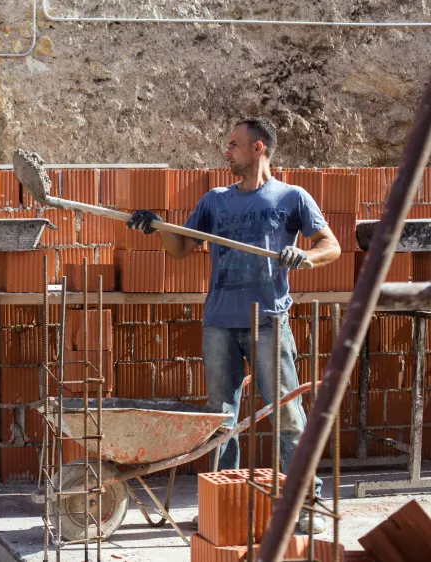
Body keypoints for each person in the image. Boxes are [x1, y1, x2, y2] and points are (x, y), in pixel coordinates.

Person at [126, 118, 342, 534]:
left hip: (268, 321)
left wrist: (305, 257)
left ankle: (306, 502)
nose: (226, 152)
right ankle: (222, 504)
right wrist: (156, 227)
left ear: (258, 148)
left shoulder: (291, 197)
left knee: (287, 414)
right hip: (219, 324)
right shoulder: (215, 201)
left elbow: (329, 245)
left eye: (234, 145)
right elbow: (180, 248)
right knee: (220, 420)